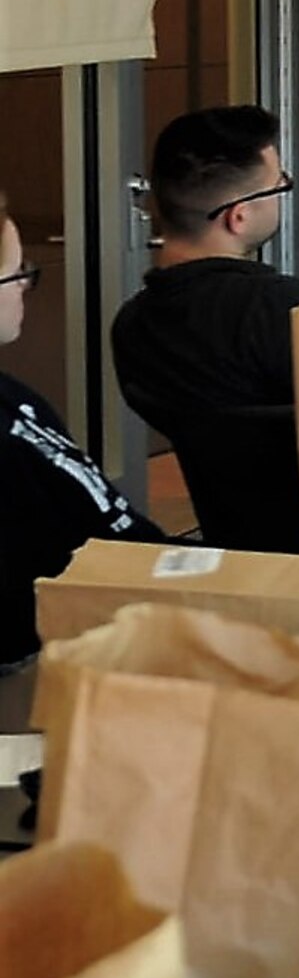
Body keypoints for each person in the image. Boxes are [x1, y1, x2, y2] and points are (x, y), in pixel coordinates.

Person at [0, 188, 164, 668]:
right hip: (47, 661)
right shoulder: (10, 429)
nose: (26, 287)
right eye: (16, 274)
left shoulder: (14, 400)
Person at [111, 105, 299, 425]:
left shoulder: (133, 326)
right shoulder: (288, 312)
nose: (281, 197)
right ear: (238, 216)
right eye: (279, 186)